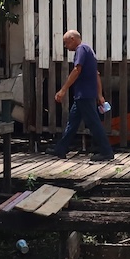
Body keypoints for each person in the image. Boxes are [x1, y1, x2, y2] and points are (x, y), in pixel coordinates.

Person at [50, 29, 113, 162]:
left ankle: (106, 152)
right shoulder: (88, 50)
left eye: (66, 43)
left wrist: (63, 90)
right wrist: (99, 94)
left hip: (84, 94)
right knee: (72, 123)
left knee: (94, 123)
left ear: (73, 39)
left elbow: (77, 70)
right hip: (83, 95)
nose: (65, 46)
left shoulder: (81, 49)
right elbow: (96, 74)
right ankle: (60, 149)